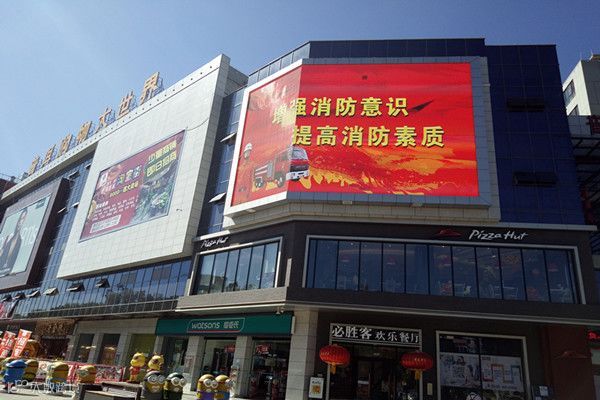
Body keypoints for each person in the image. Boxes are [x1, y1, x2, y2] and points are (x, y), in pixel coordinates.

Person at [0, 209, 27, 276]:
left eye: (23, 219)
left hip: (8, 273)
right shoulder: (9, 237)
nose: (20, 222)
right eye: (20, 218)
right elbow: (1, 252)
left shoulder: (20, 241)